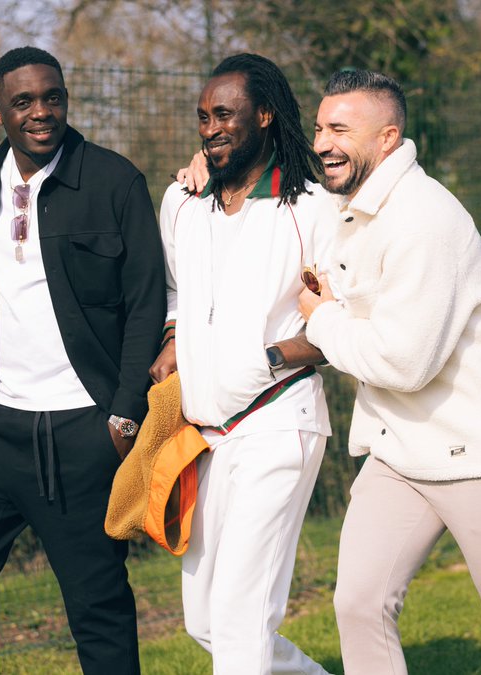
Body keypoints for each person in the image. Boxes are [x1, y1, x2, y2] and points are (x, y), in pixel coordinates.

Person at [298, 69, 481, 675]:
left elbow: (405, 362)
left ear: (388, 138)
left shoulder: (424, 218)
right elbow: (287, 193)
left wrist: (320, 320)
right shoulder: (349, 202)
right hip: (401, 453)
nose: (322, 142)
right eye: (319, 127)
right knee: (359, 603)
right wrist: (206, 168)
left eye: (340, 129)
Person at [0, 46, 165, 675]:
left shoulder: (113, 181)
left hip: (81, 431)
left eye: (52, 97)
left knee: (97, 606)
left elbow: (145, 306)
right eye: (23, 101)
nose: (41, 112)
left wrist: (124, 416)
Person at [150, 53, 337, 675]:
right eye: (203, 117)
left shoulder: (311, 209)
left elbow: (349, 315)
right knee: (205, 622)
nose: (210, 128)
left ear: (264, 114)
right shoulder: (181, 202)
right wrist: (176, 338)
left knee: (238, 619)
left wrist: (268, 356)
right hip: (205, 436)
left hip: (278, 421)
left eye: (224, 114)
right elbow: (178, 290)